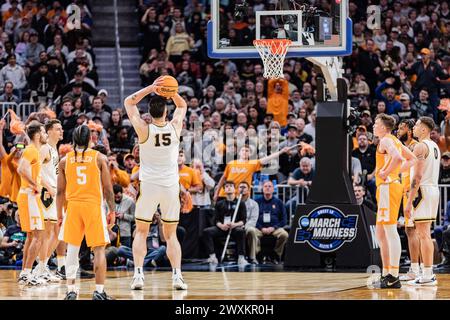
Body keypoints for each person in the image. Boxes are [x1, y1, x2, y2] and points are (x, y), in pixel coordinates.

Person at [124, 77, 188, 290]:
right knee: (170, 235)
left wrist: (151, 88)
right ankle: (177, 276)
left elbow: (129, 103)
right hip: (170, 187)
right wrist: (170, 93)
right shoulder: (175, 127)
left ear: (149, 114)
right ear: (166, 113)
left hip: (149, 186)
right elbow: (182, 105)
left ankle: (138, 275)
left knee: (141, 231)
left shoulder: (144, 129)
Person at [56, 125, 116, 300]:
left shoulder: (64, 160)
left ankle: (71, 291)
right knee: (98, 250)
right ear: (90, 139)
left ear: (73, 140)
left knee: (72, 251)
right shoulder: (100, 158)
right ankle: (99, 291)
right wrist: (112, 210)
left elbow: (60, 192)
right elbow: (108, 189)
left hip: (73, 207)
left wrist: (59, 214)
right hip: (93, 206)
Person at [372, 114, 416, 289]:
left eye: (376, 124)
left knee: (390, 231)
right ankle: (386, 273)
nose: (374, 126)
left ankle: (394, 275)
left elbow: (398, 158)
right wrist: (396, 172)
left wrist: (386, 172)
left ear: (383, 127)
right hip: (389, 186)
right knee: (381, 234)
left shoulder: (386, 140)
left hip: (387, 187)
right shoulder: (393, 140)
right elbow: (412, 159)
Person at [404, 117, 441, 286]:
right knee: (424, 233)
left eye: (417, 125)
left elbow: (417, 176)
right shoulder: (435, 146)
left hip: (423, 191)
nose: (415, 128)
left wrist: (409, 199)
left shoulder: (420, 146)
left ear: (424, 129)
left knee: (424, 234)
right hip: (432, 189)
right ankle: (426, 272)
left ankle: (427, 274)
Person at [16, 121, 48, 286]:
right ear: (37, 135)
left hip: (29, 196)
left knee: (32, 236)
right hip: (29, 195)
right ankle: (27, 273)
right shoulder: (31, 150)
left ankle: (24, 273)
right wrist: (35, 185)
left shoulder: (33, 150)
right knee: (38, 235)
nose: (45, 135)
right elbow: (21, 169)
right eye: (43, 132)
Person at [33, 119, 64, 282]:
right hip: (46, 193)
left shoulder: (54, 150)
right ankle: (40, 268)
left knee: (58, 233)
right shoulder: (45, 148)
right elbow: (34, 170)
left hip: (54, 194)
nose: (62, 131)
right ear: (49, 131)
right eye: (58, 129)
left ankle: (42, 265)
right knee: (46, 233)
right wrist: (48, 187)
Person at [213, 144, 290, 201]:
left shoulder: (252, 164)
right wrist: (216, 193)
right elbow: (223, 178)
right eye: (242, 150)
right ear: (239, 152)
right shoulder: (231, 163)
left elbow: (267, 159)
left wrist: (281, 151)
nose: (244, 152)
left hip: (241, 195)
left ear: (250, 154)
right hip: (225, 193)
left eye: (247, 151)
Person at [396, 119, 421, 282]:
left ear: (410, 131)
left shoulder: (413, 147)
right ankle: (419, 268)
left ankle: (415, 269)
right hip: (404, 192)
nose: (398, 130)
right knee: (411, 231)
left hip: (411, 193)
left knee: (413, 231)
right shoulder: (405, 147)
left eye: (401, 128)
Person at [203, 181, 248, 266]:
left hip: (234, 228)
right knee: (207, 232)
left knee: (241, 231)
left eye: (231, 186)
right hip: (222, 228)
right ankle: (212, 257)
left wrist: (235, 224)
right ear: (224, 190)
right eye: (226, 186)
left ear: (235, 189)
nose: (229, 188)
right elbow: (216, 220)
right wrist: (221, 225)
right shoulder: (219, 204)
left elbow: (243, 220)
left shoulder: (240, 203)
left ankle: (241, 257)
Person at [247, 180, 288, 264]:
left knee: (284, 234)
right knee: (250, 231)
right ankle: (255, 255)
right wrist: (261, 228)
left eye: (270, 186)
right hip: (259, 228)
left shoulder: (279, 202)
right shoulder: (256, 202)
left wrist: (273, 228)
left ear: (273, 189)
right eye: (265, 186)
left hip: (274, 228)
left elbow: (284, 220)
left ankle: (276, 254)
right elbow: (252, 218)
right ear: (262, 189)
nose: (268, 188)